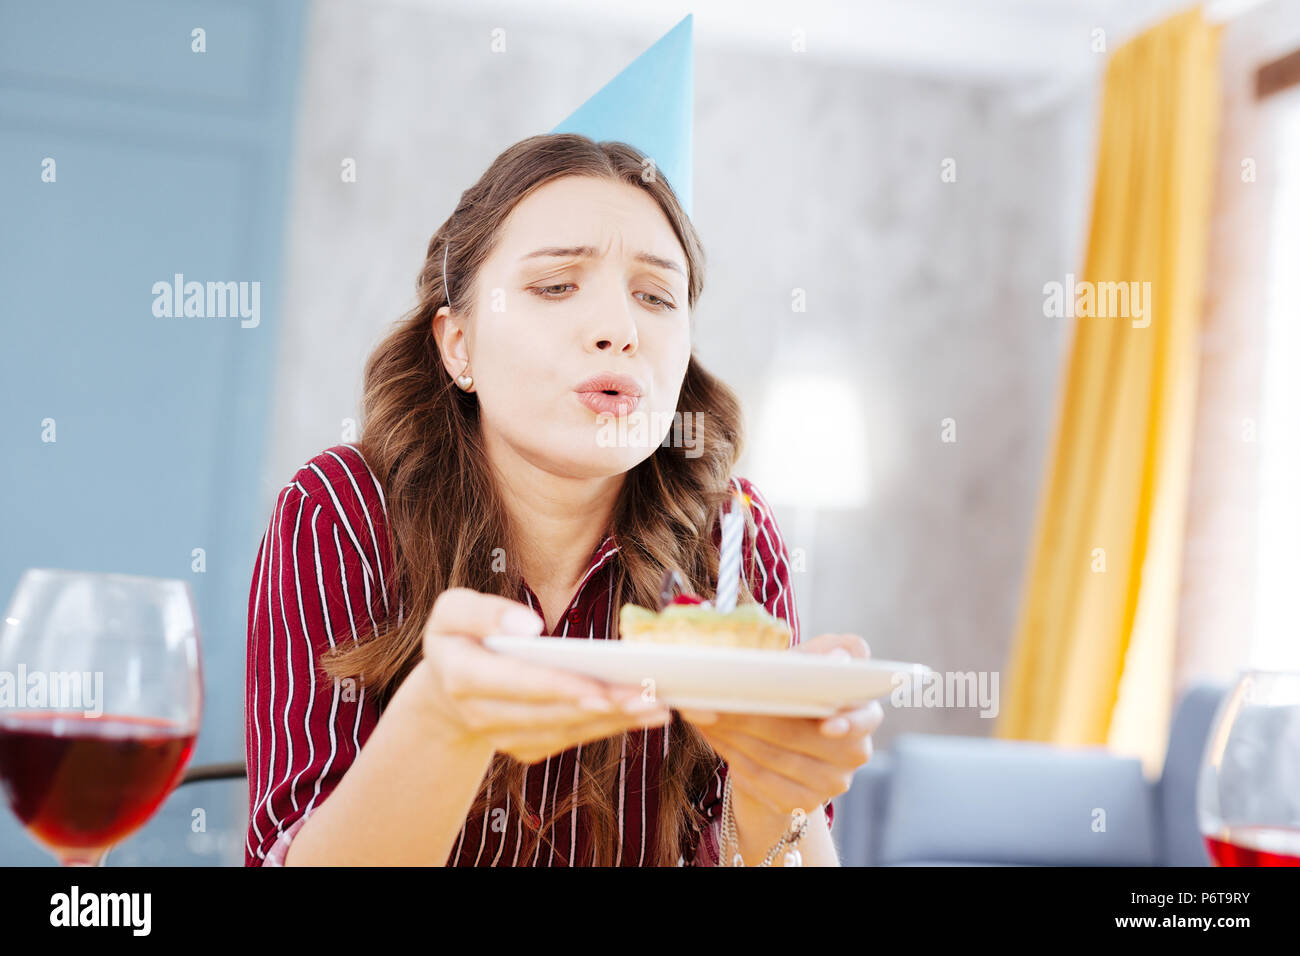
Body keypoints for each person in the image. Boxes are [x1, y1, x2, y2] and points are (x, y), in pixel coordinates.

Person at [243, 133, 883, 867]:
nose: (620, 331)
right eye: (555, 286)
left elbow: (768, 848)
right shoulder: (339, 513)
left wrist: (778, 795)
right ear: (458, 345)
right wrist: (442, 719)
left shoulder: (730, 533)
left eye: (656, 297)